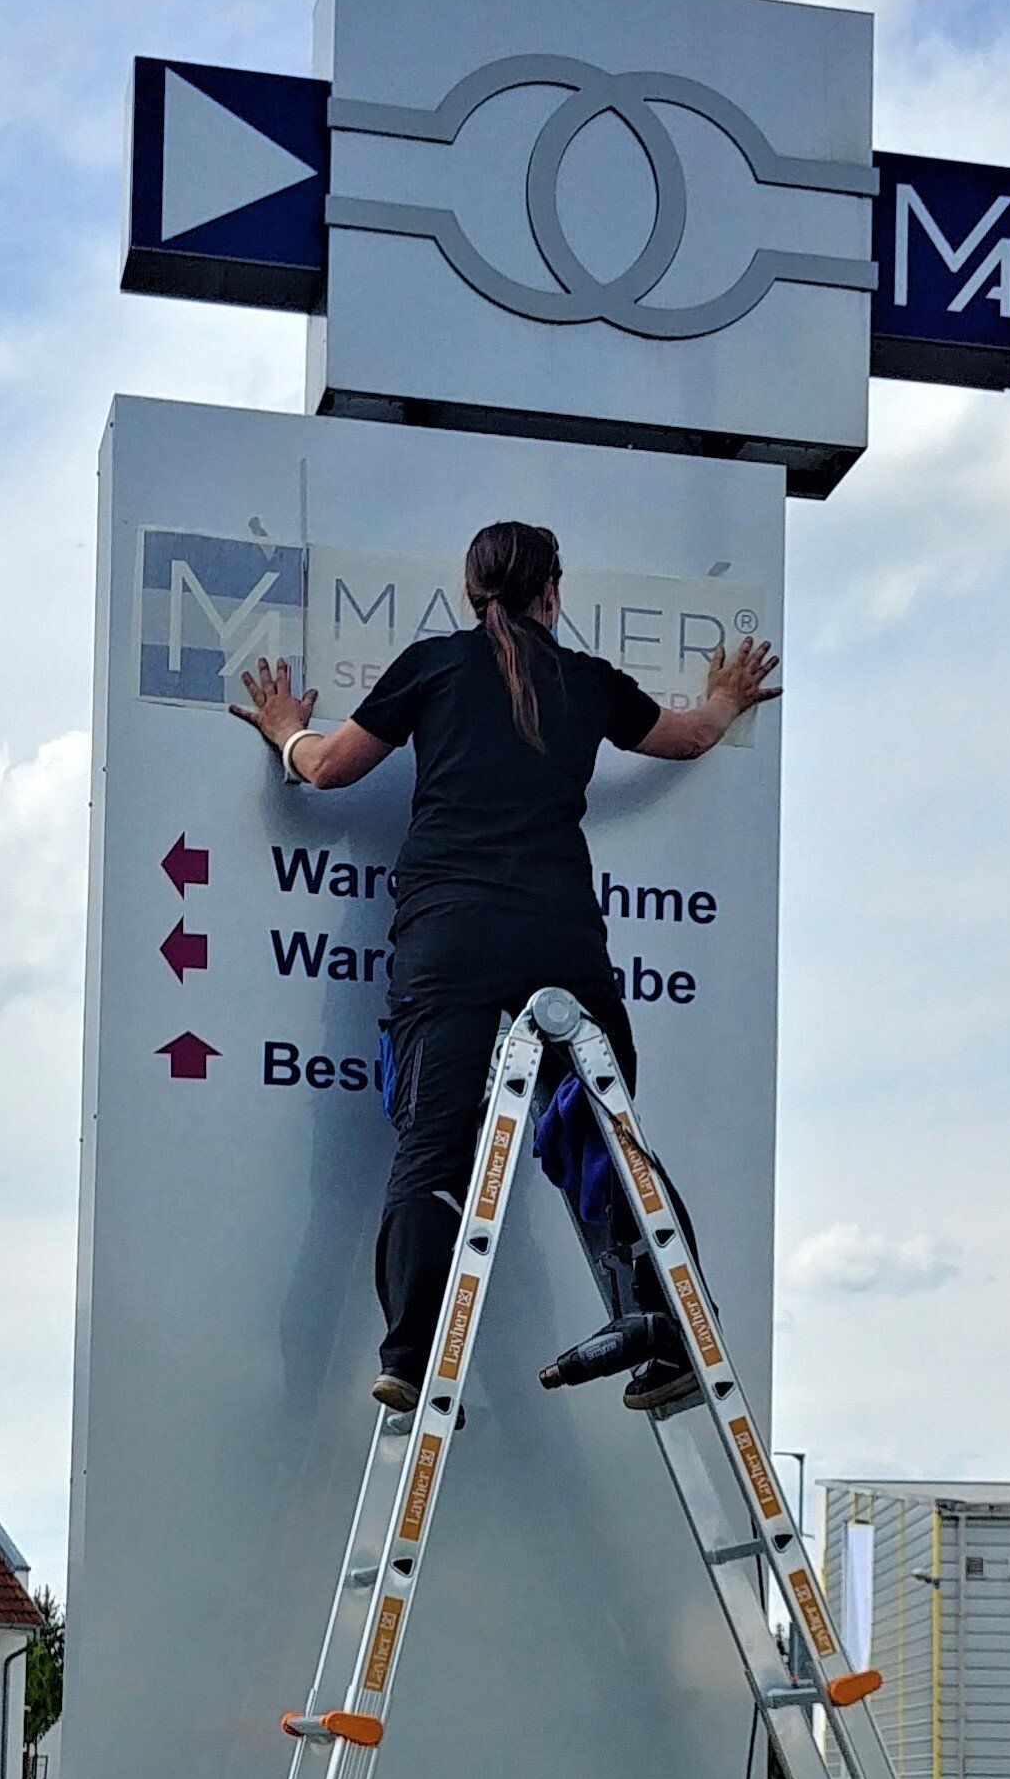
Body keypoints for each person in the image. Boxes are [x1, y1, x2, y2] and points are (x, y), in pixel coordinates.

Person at [231, 520, 780, 1413]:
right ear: (553, 594)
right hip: (558, 938)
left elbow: (328, 770)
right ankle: (668, 1333)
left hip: (448, 938)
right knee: (603, 1135)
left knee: (434, 1141)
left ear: (468, 590)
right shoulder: (588, 682)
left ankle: (407, 1354)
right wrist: (724, 698)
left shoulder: (434, 666)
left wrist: (288, 730)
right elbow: (682, 739)